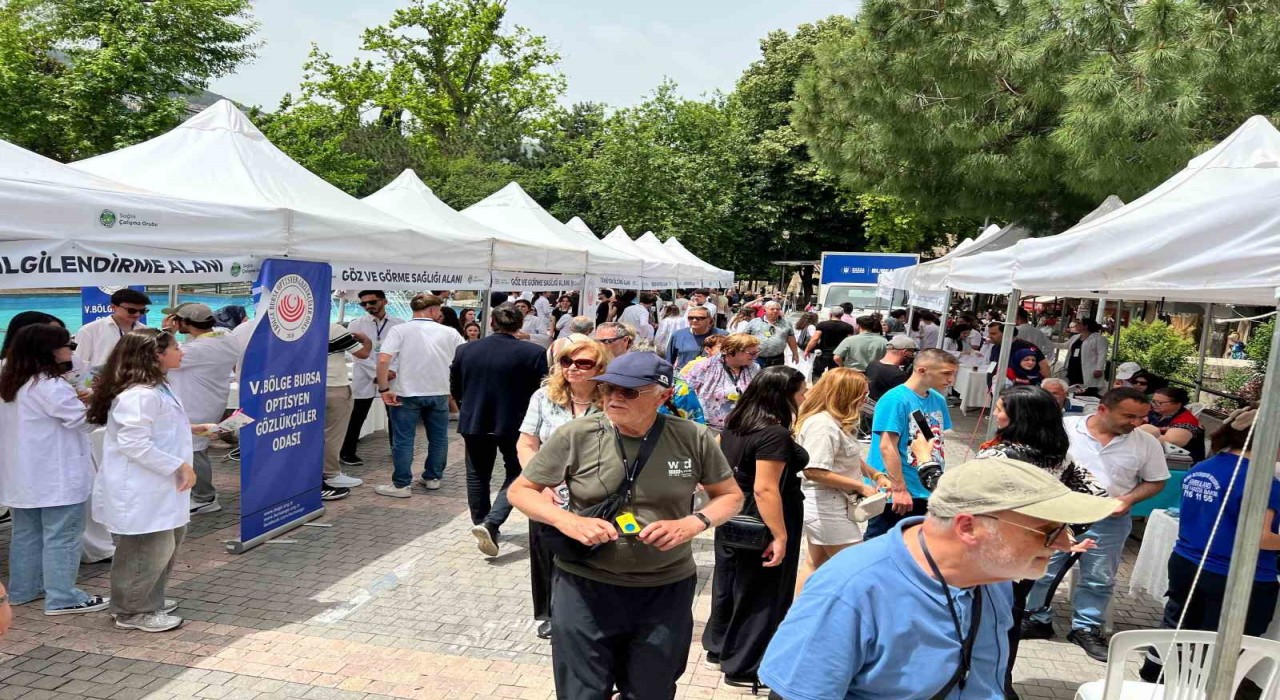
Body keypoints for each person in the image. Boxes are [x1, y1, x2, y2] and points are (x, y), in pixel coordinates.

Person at [758, 458, 1119, 700]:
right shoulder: (851, 590)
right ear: (968, 528)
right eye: (1048, 530)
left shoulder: (994, 573)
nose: (1064, 544)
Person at [506, 353, 744, 700]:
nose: (614, 398)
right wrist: (567, 520)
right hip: (585, 586)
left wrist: (693, 523)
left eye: (629, 392)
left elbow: (730, 496)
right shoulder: (577, 434)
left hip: (665, 588)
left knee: (651, 691)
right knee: (581, 694)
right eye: (608, 389)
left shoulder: (692, 436)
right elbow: (520, 491)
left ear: (663, 396)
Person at [976, 386, 1107, 698]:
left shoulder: (997, 456)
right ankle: (1001, 685)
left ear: (1020, 417)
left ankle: (983, 685)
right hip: (1029, 557)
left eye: (1001, 409)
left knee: (981, 623)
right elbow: (1097, 494)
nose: (996, 414)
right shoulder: (1059, 457)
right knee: (1008, 620)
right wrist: (1056, 533)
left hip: (989, 557)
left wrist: (925, 460)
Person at [1022, 387, 1169, 661]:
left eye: (1142, 417)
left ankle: (1086, 628)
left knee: (1099, 578)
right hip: (1057, 514)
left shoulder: (1146, 443)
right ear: (1103, 409)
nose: (1137, 423)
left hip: (1108, 519)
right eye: (1129, 416)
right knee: (1042, 569)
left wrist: (1128, 499)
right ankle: (1036, 618)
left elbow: (1156, 481)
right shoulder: (1064, 428)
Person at [88, 329, 216, 633]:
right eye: (176, 347)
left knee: (164, 548)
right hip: (142, 489)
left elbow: (157, 427)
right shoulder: (139, 395)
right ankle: (132, 610)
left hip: (162, 487)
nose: (182, 351)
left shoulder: (157, 388)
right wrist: (179, 466)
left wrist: (191, 428)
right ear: (156, 355)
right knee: (145, 551)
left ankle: (148, 600)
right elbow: (134, 444)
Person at [1139, 407, 1279, 682]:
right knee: (1223, 643)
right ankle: (1199, 688)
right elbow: (1260, 537)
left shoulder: (1204, 467)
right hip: (1236, 574)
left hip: (1187, 561)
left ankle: (1154, 679)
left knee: (1178, 625)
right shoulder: (1262, 482)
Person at [704, 366, 809, 689]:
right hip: (764, 514)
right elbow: (766, 489)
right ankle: (744, 665)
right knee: (763, 591)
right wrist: (780, 535)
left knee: (729, 580)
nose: (805, 396)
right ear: (783, 395)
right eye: (801, 391)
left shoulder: (735, 424)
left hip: (734, 510)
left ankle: (719, 646)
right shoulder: (773, 433)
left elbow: (718, 465)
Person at [0, 324, 107, 615]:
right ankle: (62, 596)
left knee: (26, 535)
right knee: (63, 536)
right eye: (67, 344)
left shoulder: (11, 382)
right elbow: (84, 422)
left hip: (22, 476)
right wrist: (101, 402)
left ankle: (23, 589)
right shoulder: (50, 385)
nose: (71, 349)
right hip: (55, 476)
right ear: (49, 350)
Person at [517, 337, 610, 639]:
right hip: (549, 492)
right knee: (546, 552)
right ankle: (552, 613)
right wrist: (538, 484)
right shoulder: (544, 396)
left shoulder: (611, 398)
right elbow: (526, 443)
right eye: (566, 361)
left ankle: (591, 612)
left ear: (600, 367)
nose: (572, 368)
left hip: (595, 492)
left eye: (583, 363)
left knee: (593, 552)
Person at [450, 305, 549, 557]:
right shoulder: (534, 352)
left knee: (477, 473)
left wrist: (466, 406)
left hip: (475, 418)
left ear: (492, 322)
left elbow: (456, 386)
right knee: (519, 470)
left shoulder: (466, 350)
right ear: (520, 324)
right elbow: (542, 391)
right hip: (516, 422)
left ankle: (483, 521)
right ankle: (490, 523)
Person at [794, 368, 894, 570]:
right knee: (857, 566)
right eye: (862, 394)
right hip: (826, 506)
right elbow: (813, 470)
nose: (866, 399)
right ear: (845, 394)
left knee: (815, 563)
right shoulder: (822, 426)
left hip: (834, 503)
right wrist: (861, 486)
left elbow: (850, 456)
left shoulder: (837, 421)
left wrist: (876, 474)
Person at [375, 294, 464, 497]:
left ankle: (401, 485)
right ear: (432, 310)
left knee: (404, 439)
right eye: (439, 310)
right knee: (439, 438)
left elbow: (383, 360)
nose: (440, 314)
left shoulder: (400, 330)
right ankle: (433, 477)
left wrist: (383, 389)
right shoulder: (449, 332)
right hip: (439, 391)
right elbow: (464, 357)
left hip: (406, 392)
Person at [865, 348, 958, 539]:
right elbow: (886, 446)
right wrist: (899, 488)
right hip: (895, 491)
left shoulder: (938, 399)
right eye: (946, 373)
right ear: (922, 370)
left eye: (953, 374)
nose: (951, 380)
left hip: (924, 488)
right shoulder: (895, 399)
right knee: (882, 543)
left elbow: (934, 439)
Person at [166, 303, 245, 514]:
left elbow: (159, 357)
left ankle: (204, 497)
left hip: (194, 404)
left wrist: (167, 333)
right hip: (210, 400)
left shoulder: (197, 349)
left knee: (194, 450)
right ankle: (198, 494)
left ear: (183, 322)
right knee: (195, 448)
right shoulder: (225, 337)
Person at [340, 290, 405, 468]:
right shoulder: (356, 324)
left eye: (372, 302)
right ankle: (347, 452)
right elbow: (355, 353)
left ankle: (398, 450)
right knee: (357, 415)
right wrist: (377, 373)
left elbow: (402, 351)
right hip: (365, 375)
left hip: (391, 376)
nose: (368, 306)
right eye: (364, 304)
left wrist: (390, 370)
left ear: (384, 301)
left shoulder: (399, 324)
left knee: (395, 416)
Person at [319, 324, 371, 502]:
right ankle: (330, 473)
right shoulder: (334, 329)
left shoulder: (301, 328)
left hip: (310, 385)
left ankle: (320, 472)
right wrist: (366, 340)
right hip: (335, 386)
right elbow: (363, 353)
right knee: (333, 434)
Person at [683, 333, 762, 431]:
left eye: (756, 352)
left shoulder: (754, 368)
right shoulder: (705, 366)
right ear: (732, 351)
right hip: (710, 427)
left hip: (744, 426)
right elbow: (685, 390)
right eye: (751, 353)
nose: (755, 356)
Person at [74, 288, 151, 369]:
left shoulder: (146, 331)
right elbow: (79, 364)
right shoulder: (89, 331)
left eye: (142, 311)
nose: (137, 314)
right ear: (113, 307)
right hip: (101, 376)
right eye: (131, 311)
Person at [1138, 386, 1205, 462]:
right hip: (1153, 454)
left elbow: (1170, 442)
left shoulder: (1186, 421)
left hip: (1180, 462)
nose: (1154, 404)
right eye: (1153, 401)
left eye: (1159, 403)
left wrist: (1139, 433)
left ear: (1178, 403)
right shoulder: (1155, 412)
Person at [665, 306, 726, 371]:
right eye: (690, 318)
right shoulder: (678, 335)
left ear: (710, 320)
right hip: (684, 375)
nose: (694, 320)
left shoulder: (723, 335)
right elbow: (669, 361)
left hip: (714, 374)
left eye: (699, 318)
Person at [987, 322, 1051, 380]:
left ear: (1007, 333)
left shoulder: (1026, 347)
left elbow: (1044, 369)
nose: (989, 336)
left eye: (993, 333)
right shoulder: (995, 348)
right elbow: (992, 367)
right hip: (997, 386)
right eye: (989, 333)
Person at [804, 307, 854, 382]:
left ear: (830, 314)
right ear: (842, 315)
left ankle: (817, 387)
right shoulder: (848, 327)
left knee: (817, 373)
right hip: (839, 354)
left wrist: (807, 350)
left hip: (823, 353)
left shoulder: (822, 325)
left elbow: (815, 339)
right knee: (835, 374)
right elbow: (850, 341)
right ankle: (832, 388)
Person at [747, 301, 799, 368]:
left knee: (776, 375)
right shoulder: (754, 322)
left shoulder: (786, 323)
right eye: (772, 309)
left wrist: (795, 353)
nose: (775, 311)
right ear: (765, 310)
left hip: (777, 359)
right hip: (757, 358)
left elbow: (791, 339)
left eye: (778, 309)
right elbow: (744, 337)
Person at [1063, 318, 1108, 396]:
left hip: (1087, 370)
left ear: (1085, 326)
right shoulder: (1076, 337)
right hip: (1073, 368)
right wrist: (1048, 342)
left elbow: (1102, 354)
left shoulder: (1098, 338)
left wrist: (1099, 368)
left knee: (1086, 391)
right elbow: (1065, 345)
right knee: (1072, 390)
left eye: (1079, 323)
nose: (1076, 325)